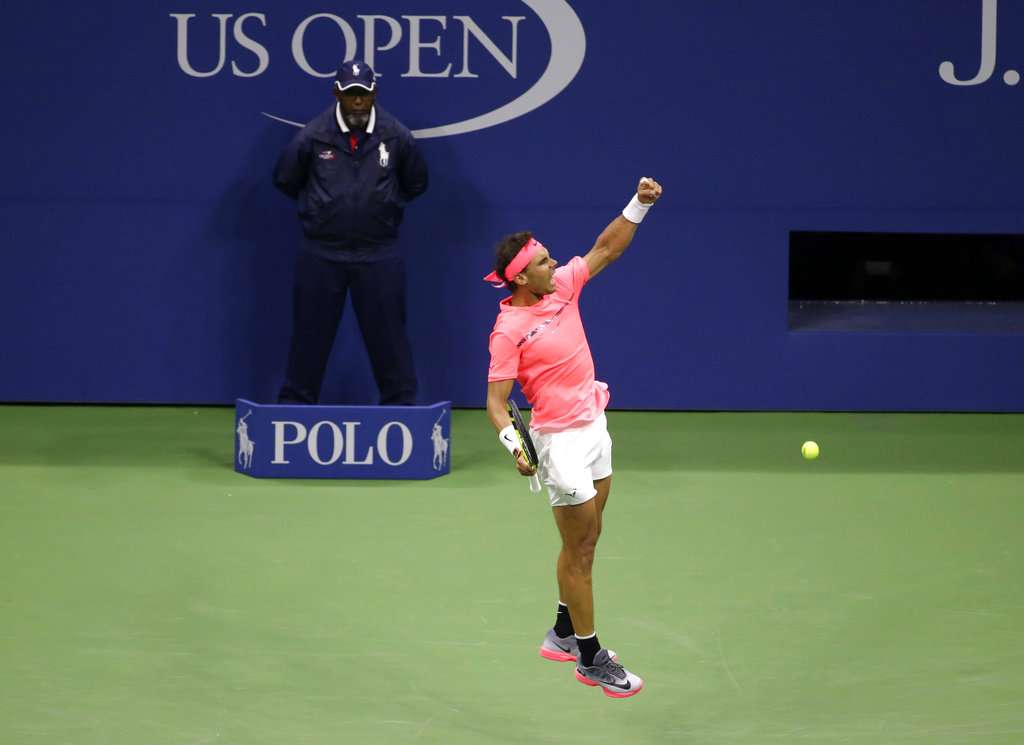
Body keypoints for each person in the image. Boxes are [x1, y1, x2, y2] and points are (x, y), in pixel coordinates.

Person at [484, 176, 663, 699]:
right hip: (559, 444)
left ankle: (562, 630)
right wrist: (515, 447)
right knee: (579, 550)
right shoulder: (507, 331)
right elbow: (496, 402)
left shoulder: (562, 286)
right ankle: (589, 656)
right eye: (544, 261)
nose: (555, 264)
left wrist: (639, 204)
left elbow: (606, 248)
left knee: (588, 538)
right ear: (522, 278)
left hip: (594, 426)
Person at [273, 60, 428, 405]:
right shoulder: (313, 136)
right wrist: (321, 209)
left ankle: (401, 413)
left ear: (374, 93)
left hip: (379, 253)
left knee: (389, 339)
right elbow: (285, 179)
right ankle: (293, 412)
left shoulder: (396, 136)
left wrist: (385, 206)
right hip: (322, 253)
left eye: (363, 94)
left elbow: (416, 182)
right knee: (309, 337)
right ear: (336, 93)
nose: (357, 101)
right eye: (350, 94)